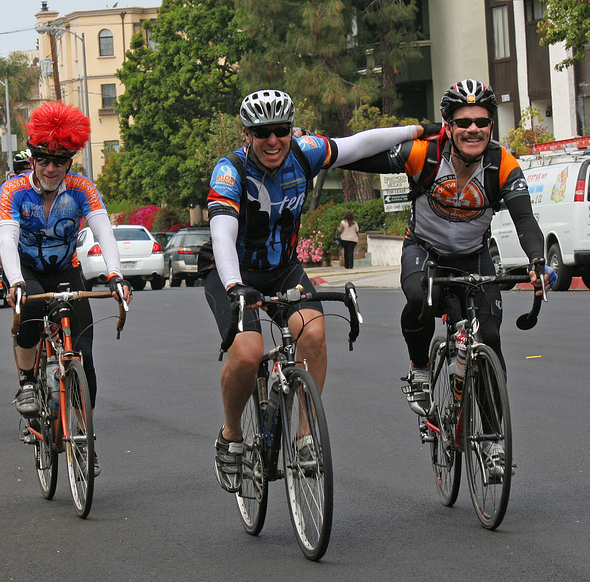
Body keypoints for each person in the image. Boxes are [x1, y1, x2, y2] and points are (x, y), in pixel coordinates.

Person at [205, 88, 427, 493]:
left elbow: (360, 144)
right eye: (262, 132)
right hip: (233, 272)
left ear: (291, 129)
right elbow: (222, 233)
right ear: (246, 134)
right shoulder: (230, 170)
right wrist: (235, 286)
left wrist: (417, 129)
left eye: (281, 130)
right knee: (250, 351)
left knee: (315, 331)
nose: (273, 141)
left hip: (283, 268)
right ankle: (231, 435)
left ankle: (305, 436)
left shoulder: (305, 152)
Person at [343, 79, 550, 440]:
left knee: (489, 336)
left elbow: (525, 220)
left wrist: (536, 261)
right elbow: (356, 153)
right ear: (449, 127)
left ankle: (493, 440)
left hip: (474, 257)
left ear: (491, 126)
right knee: (422, 296)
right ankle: (421, 368)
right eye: (464, 122)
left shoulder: (502, 164)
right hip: (425, 252)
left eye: (482, 122)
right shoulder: (425, 154)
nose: (474, 129)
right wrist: (318, 148)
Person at [0, 101, 132, 476]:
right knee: (31, 313)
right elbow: (7, 238)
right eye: (43, 159)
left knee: (84, 362)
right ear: (34, 159)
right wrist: (17, 282)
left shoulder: (82, 189)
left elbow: (103, 229)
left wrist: (116, 274)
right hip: (24, 268)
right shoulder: (14, 191)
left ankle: (83, 436)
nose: (50, 168)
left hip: (65, 269)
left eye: (59, 160)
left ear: (70, 161)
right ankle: (26, 382)